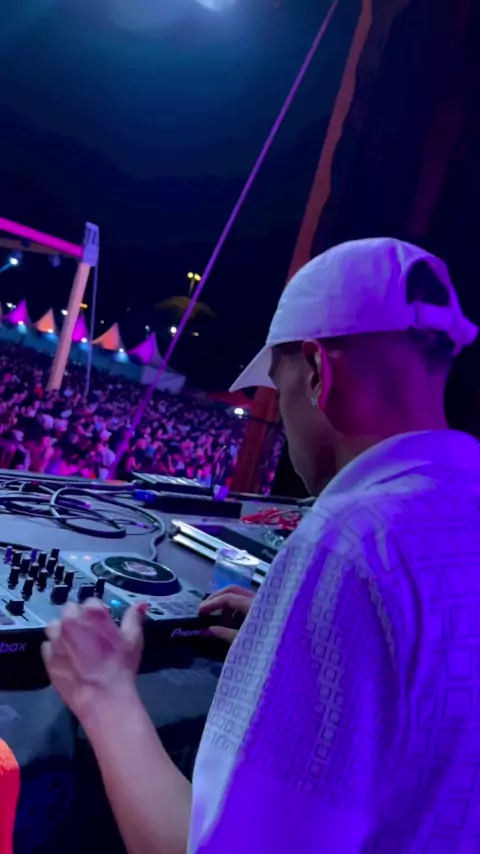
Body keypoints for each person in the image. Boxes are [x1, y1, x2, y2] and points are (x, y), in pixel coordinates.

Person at [42, 237, 480, 853]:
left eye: (278, 385)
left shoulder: (351, 542)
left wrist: (103, 692)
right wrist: (304, 631)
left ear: (318, 371)